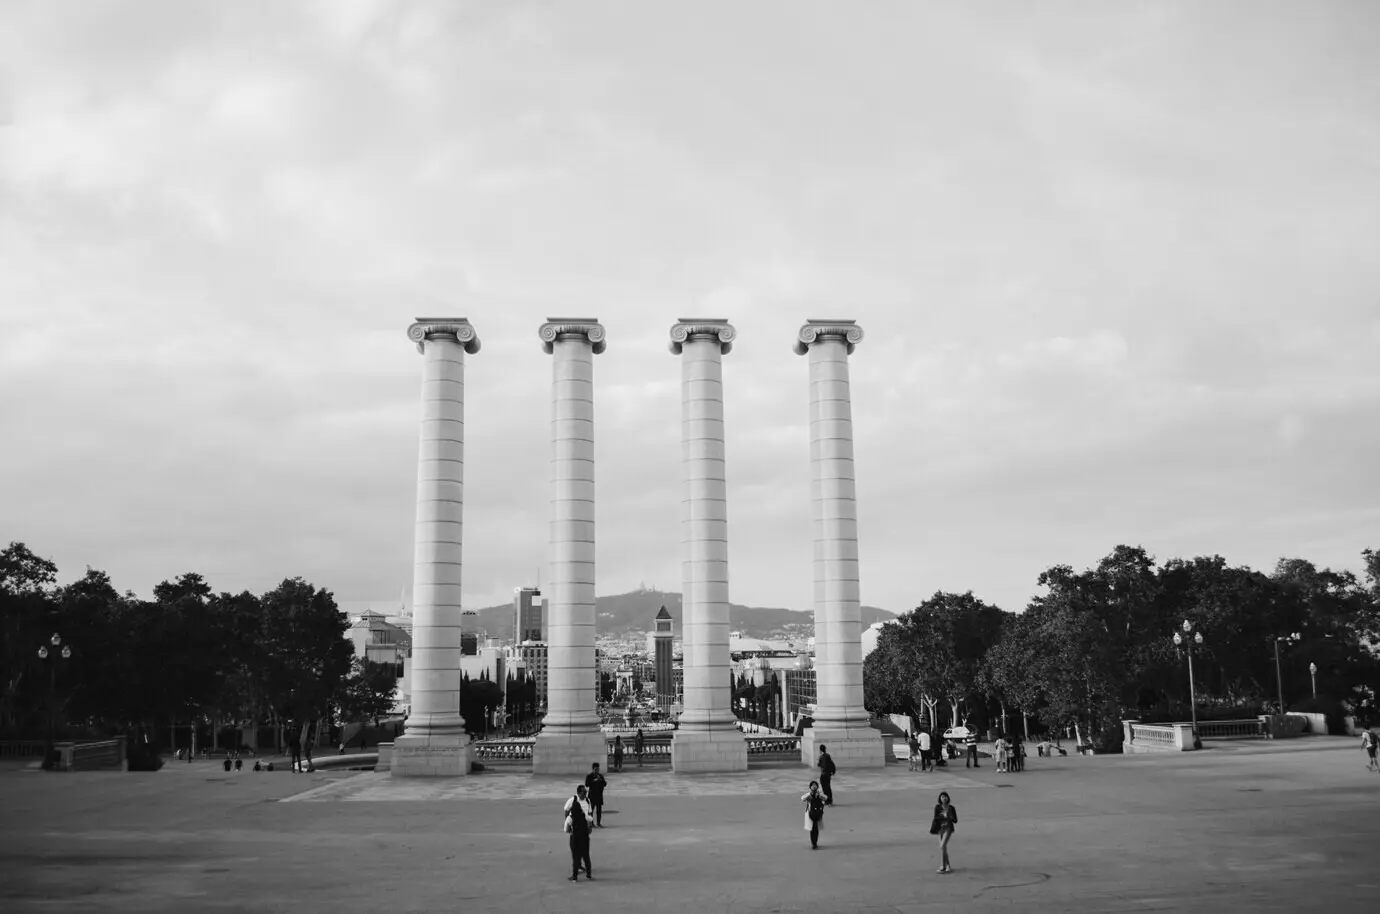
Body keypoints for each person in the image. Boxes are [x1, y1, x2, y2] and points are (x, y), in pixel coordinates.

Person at [563, 785, 593, 881]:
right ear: (579, 792)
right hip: (584, 834)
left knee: (576, 856)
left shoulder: (571, 817)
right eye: (584, 792)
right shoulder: (583, 815)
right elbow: (590, 818)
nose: (585, 794)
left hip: (576, 835)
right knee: (586, 855)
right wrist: (589, 826)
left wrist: (570, 830)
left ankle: (575, 876)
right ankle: (588, 875)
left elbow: (566, 827)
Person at [929, 790, 958, 874]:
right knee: (943, 848)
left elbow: (955, 820)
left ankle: (943, 866)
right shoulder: (938, 807)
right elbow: (936, 817)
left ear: (948, 798)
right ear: (940, 798)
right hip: (940, 828)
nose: (944, 798)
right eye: (942, 797)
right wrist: (942, 815)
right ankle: (948, 866)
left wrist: (950, 817)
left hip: (948, 828)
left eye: (945, 797)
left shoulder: (951, 808)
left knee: (942, 846)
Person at [801, 780, 826, 849]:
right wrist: (809, 794)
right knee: (812, 829)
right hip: (810, 813)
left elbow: (825, 798)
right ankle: (813, 843)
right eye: (813, 785)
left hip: (818, 813)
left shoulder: (819, 794)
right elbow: (802, 799)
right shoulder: (809, 795)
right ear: (810, 787)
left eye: (815, 785)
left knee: (816, 828)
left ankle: (815, 842)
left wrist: (820, 795)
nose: (814, 786)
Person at [584, 763, 608, 827]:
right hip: (592, 796)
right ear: (593, 769)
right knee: (591, 810)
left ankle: (598, 823)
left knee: (599, 810)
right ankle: (591, 823)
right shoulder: (589, 776)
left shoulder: (600, 776)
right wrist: (593, 781)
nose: (597, 771)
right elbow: (586, 784)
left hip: (599, 796)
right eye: (595, 769)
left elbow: (605, 784)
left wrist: (600, 779)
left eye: (598, 769)